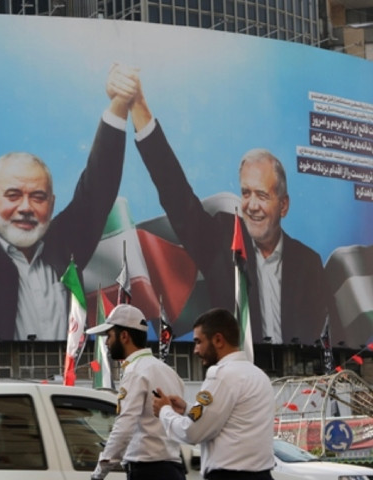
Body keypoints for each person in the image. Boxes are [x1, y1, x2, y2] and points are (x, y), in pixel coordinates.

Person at [0, 22, 139, 340]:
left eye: (37, 196)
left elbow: (97, 191)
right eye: (12, 194)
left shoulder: (64, 247)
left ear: (51, 204)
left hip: (58, 385)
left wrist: (119, 105)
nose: (25, 207)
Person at [125, 79, 337, 346]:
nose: (251, 205)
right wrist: (141, 114)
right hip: (233, 374)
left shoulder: (308, 264)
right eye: (246, 193)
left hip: (293, 378)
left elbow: (322, 337)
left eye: (262, 195)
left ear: (283, 205)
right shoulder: (223, 242)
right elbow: (177, 197)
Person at [153, 308, 275, 480]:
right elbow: (229, 419)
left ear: (218, 340)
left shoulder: (221, 375)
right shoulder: (258, 375)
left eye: (198, 342)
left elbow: (191, 432)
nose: (195, 350)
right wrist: (188, 409)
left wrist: (165, 411)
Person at [86, 304, 186, 480]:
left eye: (109, 336)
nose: (107, 343)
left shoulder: (135, 371)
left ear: (124, 336)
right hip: (174, 469)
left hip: (148, 471)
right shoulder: (169, 372)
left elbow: (124, 425)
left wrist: (98, 473)